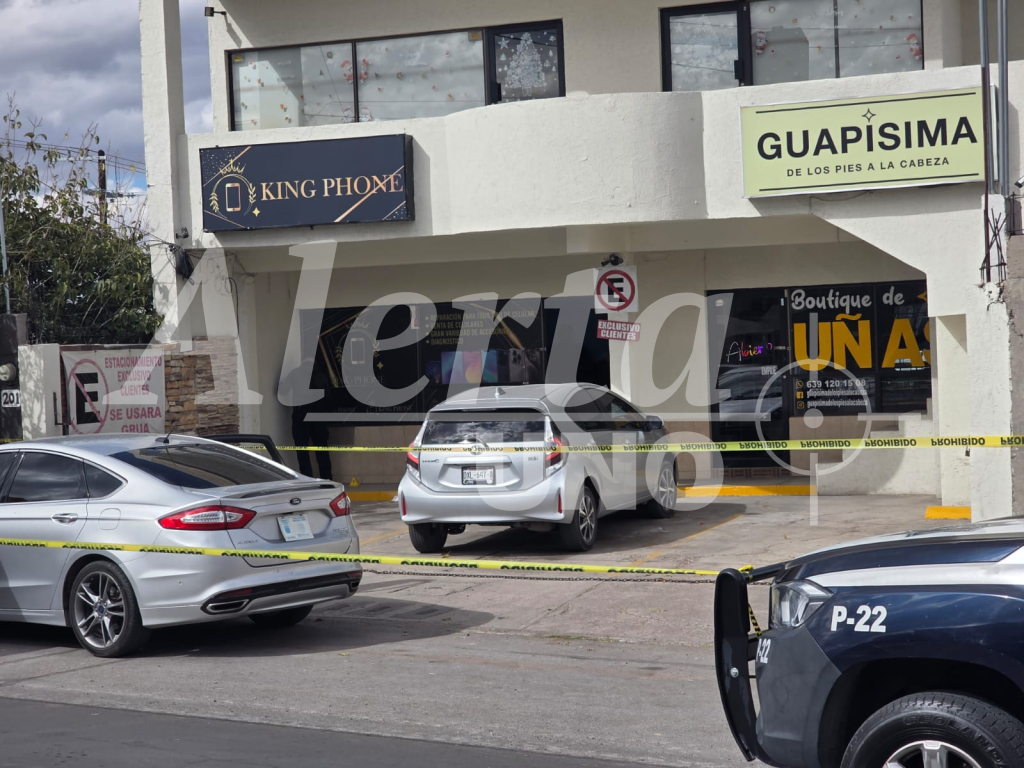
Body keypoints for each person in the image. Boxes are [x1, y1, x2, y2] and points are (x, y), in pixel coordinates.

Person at [285, 362, 334, 480]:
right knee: (322, 449)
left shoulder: (295, 373)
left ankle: (307, 481)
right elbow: (328, 396)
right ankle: (327, 479)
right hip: (319, 416)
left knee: (302, 451)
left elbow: (282, 391)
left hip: (301, 415)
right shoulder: (321, 375)